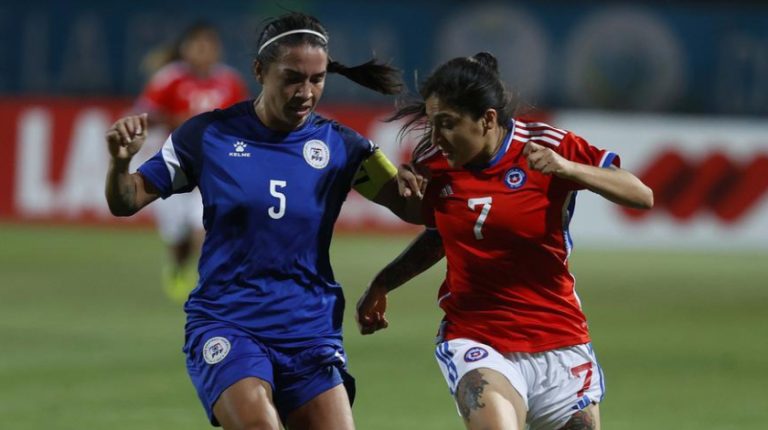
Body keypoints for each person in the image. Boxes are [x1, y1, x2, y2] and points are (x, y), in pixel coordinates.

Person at [105, 12, 419, 430]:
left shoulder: (345, 147)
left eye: (317, 79)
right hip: (229, 322)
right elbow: (127, 200)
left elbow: (418, 211)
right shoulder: (207, 136)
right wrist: (121, 163)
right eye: (292, 78)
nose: (305, 92)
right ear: (259, 70)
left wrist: (427, 181)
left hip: (309, 329)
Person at [356, 52, 654, 430]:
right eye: (432, 124)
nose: (435, 138)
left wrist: (568, 169)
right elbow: (441, 235)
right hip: (477, 339)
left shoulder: (547, 145)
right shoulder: (436, 161)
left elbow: (641, 195)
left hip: (560, 340)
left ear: (488, 119)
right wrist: (384, 282)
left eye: (447, 124)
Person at [133, 22, 250, 303]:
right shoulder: (169, 78)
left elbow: (246, 117)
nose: (204, 52)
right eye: (198, 45)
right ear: (186, 49)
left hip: (213, 166)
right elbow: (143, 113)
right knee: (177, 235)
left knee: (205, 225)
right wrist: (177, 120)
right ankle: (177, 266)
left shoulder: (229, 81)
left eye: (209, 46)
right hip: (174, 163)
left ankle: (210, 282)